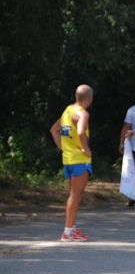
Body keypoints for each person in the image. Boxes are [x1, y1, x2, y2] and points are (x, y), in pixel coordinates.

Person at [49, 85, 94, 242]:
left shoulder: (68, 110)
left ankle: (71, 227)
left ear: (76, 96)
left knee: (76, 194)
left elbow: (54, 129)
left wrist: (63, 148)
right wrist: (85, 149)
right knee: (75, 195)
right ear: (90, 98)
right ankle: (68, 231)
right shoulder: (82, 114)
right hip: (79, 159)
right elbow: (81, 132)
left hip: (68, 158)